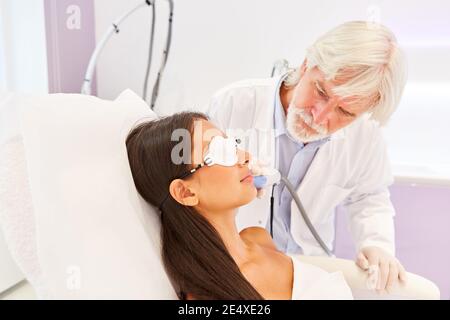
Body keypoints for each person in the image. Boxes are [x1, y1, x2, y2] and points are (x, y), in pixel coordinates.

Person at [208, 21, 408, 293]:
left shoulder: (365, 135)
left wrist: (377, 243)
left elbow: (369, 195)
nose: (320, 116)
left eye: (345, 113)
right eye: (321, 92)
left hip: (309, 273)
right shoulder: (233, 104)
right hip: (236, 270)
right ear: (306, 65)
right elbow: (195, 184)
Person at [125, 111, 353, 300]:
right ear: (185, 192)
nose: (244, 156)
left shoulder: (258, 238)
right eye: (219, 151)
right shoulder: (209, 295)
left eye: (231, 144)